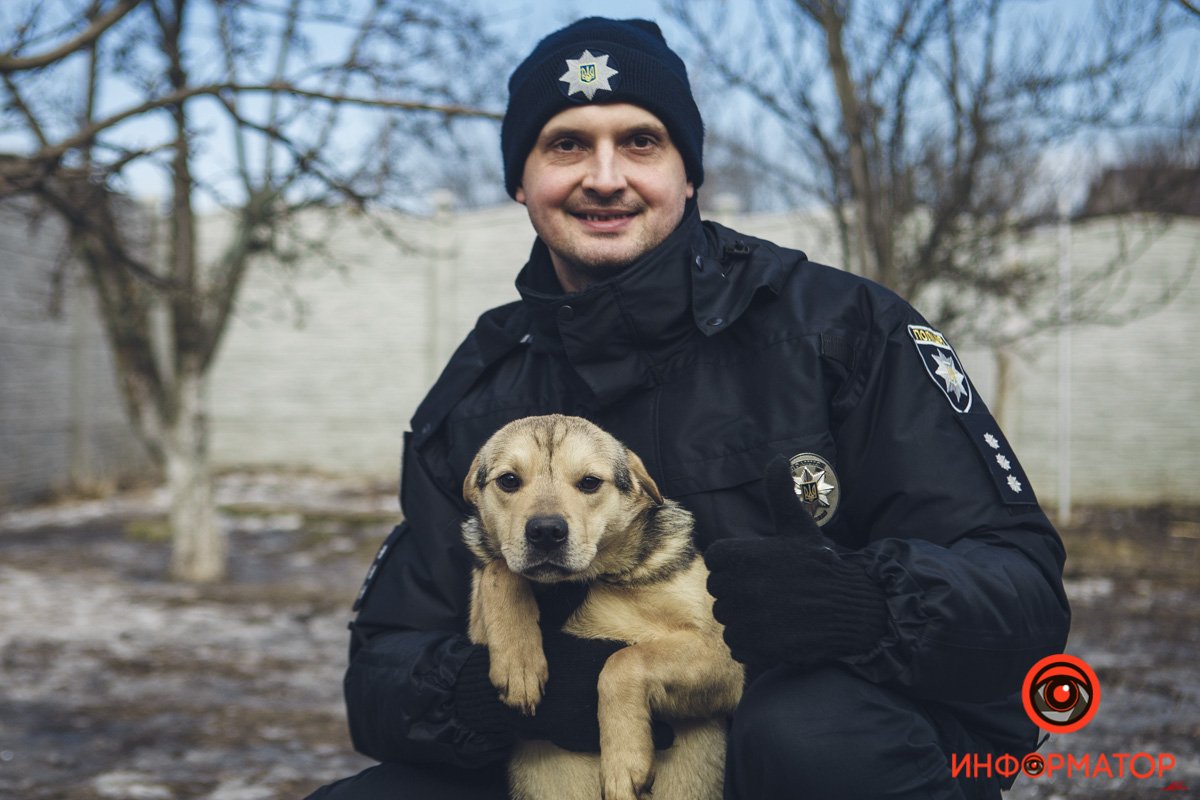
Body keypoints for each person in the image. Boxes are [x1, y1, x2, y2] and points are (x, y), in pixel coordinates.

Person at [306, 16, 1070, 800]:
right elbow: (383, 671)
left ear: (688, 172)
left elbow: (1026, 595)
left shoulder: (841, 331)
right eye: (566, 144)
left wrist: (867, 602)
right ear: (520, 180)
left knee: (806, 735)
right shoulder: (483, 393)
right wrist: (488, 691)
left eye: (640, 141)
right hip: (570, 763)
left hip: (815, 757)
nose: (605, 177)